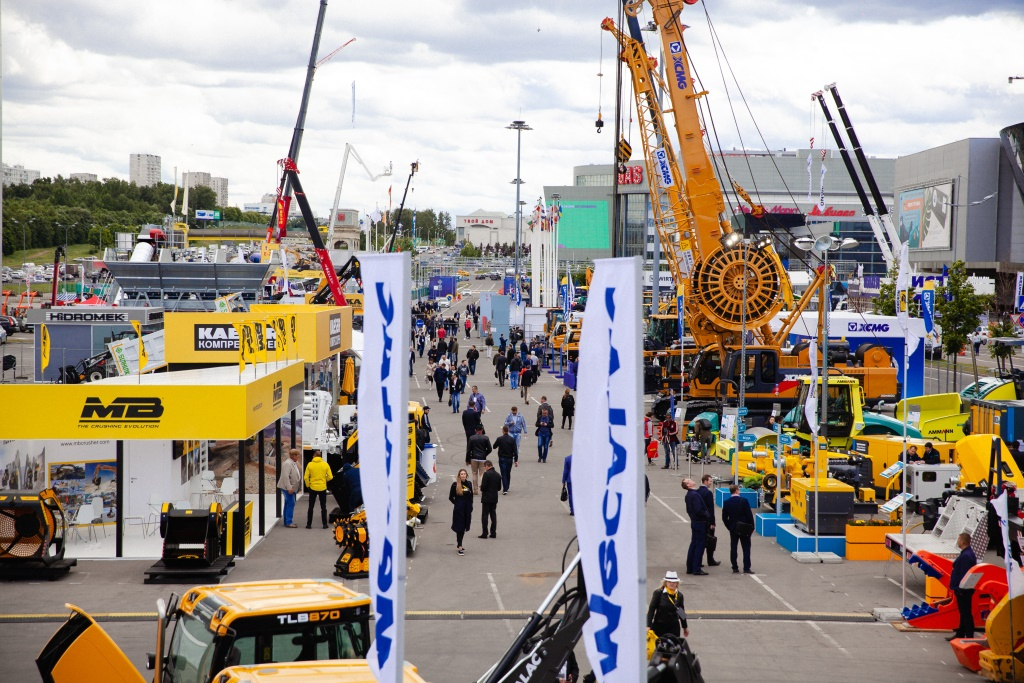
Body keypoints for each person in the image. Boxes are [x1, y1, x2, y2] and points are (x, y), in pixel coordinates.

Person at [948, 532, 978, 640]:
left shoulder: (966, 555)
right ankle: (961, 632)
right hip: (963, 588)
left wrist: (960, 589)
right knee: (963, 611)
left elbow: (963, 573)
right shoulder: (967, 553)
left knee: (966, 612)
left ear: (962, 541)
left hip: (963, 589)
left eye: (958, 539)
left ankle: (969, 635)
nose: (957, 541)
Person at [721, 484, 755, 574]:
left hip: (733, 528)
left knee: (733, 547)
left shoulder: (726, 502)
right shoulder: (744, 501)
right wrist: (752, 526)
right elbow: (749, 515)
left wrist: (729, 526)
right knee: (746, 548)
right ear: (736, 490)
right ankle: (746, 567)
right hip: (744, 528)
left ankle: (734, 567)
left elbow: (724, 518)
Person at [646, 571, 689, 641]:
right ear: (665, 582)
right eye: (669, 581)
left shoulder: (679, 595)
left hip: (674, 627)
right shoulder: (658, 593)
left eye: (674, 582)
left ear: (677, 583)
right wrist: (648, 625)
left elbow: (681, 612)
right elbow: (652, 609)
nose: (671, 583)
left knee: (673, 648)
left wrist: (685, 627)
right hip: (659, 626)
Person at [683, 479, 709, 575]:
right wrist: (706, 514)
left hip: (695, 522)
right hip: (700, 522)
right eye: (689, 480)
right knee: (699, 545)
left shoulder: (689, 495)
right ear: (688, 485)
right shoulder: (694, 495)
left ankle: (690, 567)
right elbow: (698, 509)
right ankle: (696, 568)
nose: (692, 480)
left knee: (694, 544)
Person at [303, 450, 333, 529]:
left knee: (311, 506)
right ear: (320, 457)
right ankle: (324, 524)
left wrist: (308, 485)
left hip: (312, 487)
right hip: (322, 487)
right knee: (323, 507)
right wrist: (324, 480)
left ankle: (309, 524)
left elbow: (306, 477)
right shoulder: (325, 464)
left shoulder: (310, 464)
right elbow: (330, 476)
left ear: (314, 456)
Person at [698, 474, 721, 567]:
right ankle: (710, 559)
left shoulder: (698, 491)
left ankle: (699, 560)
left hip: (700, 520)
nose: (711, 483)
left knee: (700, 541)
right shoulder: (708, 493)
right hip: (707, 520)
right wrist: (712, 522)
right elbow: (711, 509)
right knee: (710, 540)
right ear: (705, 481)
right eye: (710, 481)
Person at [449, 469, 473, 556]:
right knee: (460, 528)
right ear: (459, 476)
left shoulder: (469, 484)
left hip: (467, 509)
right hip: (459, 510)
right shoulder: (455, 485)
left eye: (464, 474)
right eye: (461, 474)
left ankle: (459, 543)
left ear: (466, 475)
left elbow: (471, 496)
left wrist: (471, 507)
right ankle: (459, 546)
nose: (463, 475)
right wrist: (457, 504)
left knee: (464, 527)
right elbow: (451, 497)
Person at [276, 448, 302, 528]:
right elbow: (285, 476)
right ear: (293, 456)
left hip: (292, 487)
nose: (298, 457)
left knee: (288, 503)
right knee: (291, 503)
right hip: (288, 488)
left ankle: (286, 520)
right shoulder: (287, 464)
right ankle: (288, 522)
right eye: (297, 455)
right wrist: (289, 487)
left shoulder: (293, 462)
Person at [493, 425, 519, 494]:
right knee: (508, 472)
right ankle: (507, 486)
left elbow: (494, 446)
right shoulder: (512, 439)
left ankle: (505, 488)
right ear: (508, 431)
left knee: (503, 473)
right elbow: (515, 451)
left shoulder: (499, 439)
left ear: (503, 431)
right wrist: (516, 460)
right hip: (509, 458)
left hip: (502, 458)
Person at [479, 460, 502, 538]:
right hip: (494, 498)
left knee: (485, 516)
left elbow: (483, 487)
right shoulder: (498, 475)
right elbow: (499, 488)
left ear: (487, 466)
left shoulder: (486, 474)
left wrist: (481, 488)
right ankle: (493, 532)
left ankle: (485, 533)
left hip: (486, 498)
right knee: (493, 515)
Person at [468, 425, 493, 492]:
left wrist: (468, 459)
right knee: (482, 474)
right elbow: (490, 449)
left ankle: (475, 489)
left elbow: (468, 449)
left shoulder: (472, 438)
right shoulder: (486, 438)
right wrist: (485, 454)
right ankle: (483, 488)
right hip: (482, 458)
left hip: (474, 457)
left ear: (475, 430)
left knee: (474, 473)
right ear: (482, 430)